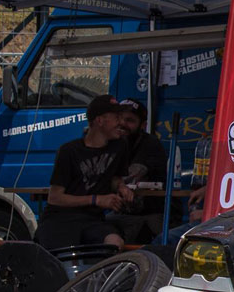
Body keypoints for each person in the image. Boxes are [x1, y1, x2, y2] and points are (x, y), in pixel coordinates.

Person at [35, 94, 132, 250]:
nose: (121, 123)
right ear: (99, 121)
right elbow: (55, 197)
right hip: (60, 219)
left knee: (115, 243)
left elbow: (114, 178)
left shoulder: (120, 146)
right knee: (66, 260)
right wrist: (96, 200)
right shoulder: (69, 151)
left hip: (93, 220)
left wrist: (121, 187)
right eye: (116, 117)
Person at [110, 98, 172, 243]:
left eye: (129, 120)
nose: (122, 124)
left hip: (150, 216)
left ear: (143, 125)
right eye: (119, 118)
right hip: (122, 212)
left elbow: (131, 177)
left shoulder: (149, 144)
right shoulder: (115, 143)